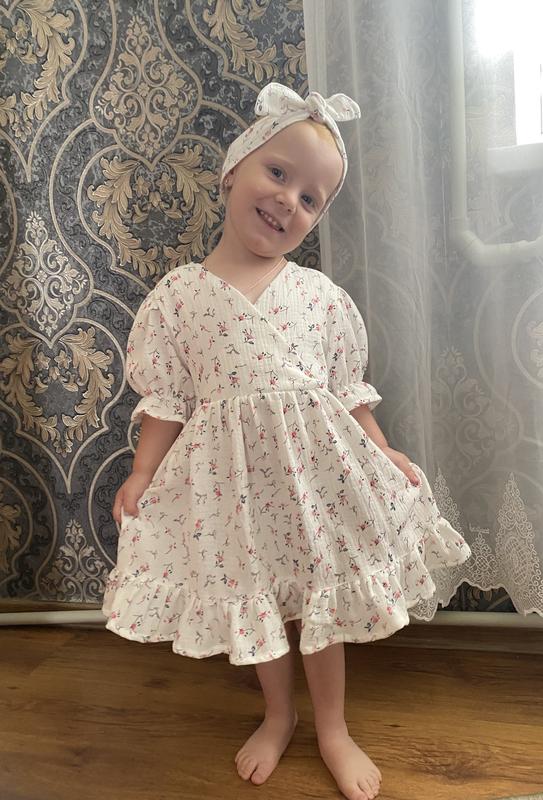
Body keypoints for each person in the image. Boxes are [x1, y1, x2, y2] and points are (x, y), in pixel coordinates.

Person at [103, 82, 471, 800]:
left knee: (320, 604)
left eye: (311, 199)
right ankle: (280, 714)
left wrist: (383, 450)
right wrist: (144, 471)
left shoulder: (319, 297)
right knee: (258, 600)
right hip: (231, 484)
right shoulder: (178, 296)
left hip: (313, 479)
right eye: (277, 173)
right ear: (232, 171)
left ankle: (333, 727)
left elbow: (347, 392)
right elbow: (168, 400)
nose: (287, 201)